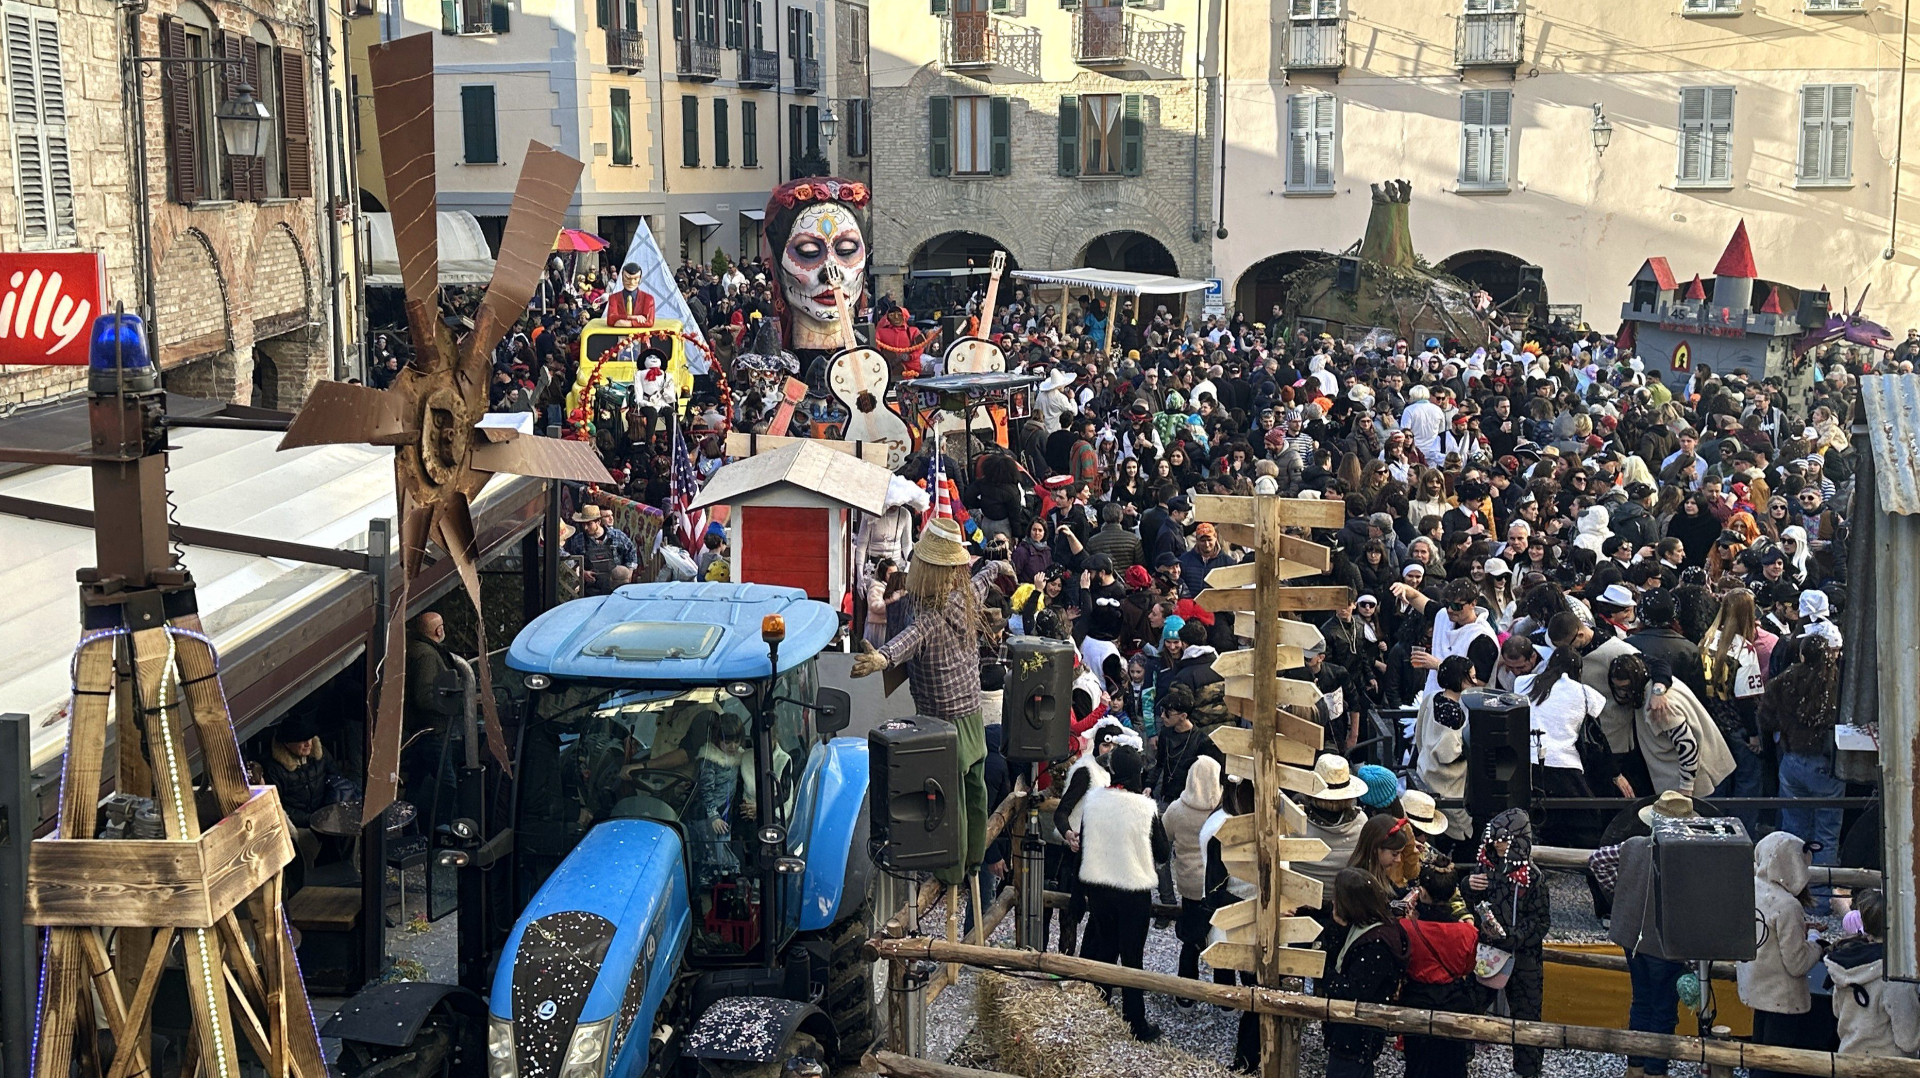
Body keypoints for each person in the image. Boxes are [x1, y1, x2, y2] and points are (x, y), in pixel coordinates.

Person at [851, 518, 1012, 888]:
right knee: (975, 790)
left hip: (940, 724)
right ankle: (975, 859)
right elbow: (982, 579)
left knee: (949, 797)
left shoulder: (928, 616)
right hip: (971, 713)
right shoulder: (966, 597)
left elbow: (906, 641)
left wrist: (881, 659)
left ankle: (952, 871)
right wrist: (995, 565)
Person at [1075, 744, 1169, 1042]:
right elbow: (1163, 852)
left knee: (1103, 952)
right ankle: (1135, 1021)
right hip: (1133, 890)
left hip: (1100, 888)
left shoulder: (1093, 802)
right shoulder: (1145, 808)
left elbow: (1084, 847)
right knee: (1132, 957)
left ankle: (1096, 1010)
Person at [1759, 636, 1845, 912]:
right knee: (1826, 834)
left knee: (1794, 832)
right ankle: (1818, 901)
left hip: (1793, 761)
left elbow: (1765, 716)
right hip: (1826, 764)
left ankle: (1793, 894)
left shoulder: (1784, 680)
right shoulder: (1838, 684)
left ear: (1802, 656)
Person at [1465, 808, 1550, 1077]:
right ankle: (1458, 1062)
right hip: (1486, 953)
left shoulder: (1533, 877)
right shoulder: (1483, 869)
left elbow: (1541, 922)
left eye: (1505, 839)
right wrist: (1467, 885)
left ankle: (1528, 1072)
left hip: (1524, 960)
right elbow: (1465, 907)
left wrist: (1513, 936)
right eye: (1495, 839)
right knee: (1467, 1009)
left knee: (1527, 1021)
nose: (1498, 844)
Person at [1738, 830, 1831, 1072]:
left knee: (1756, 1054)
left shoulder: (1750, 888)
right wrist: (1817, 944)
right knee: (1774, 1062)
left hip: (1757, 987)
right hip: (1782, 996)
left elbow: (1765, 931)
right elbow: (1797, 963)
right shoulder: (1789, 906)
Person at [1316, 868, 1410, 1077]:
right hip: (1354, 1032)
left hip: (1356, 1033)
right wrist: (1336, 927)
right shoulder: (1366, 925)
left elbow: (1352, 990)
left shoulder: (1376, 942)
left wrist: (1320, 970)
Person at [1397, 865, 1482, 1077]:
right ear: (1454, 893)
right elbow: (1467, 968)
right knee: (1453, 1065)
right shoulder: (1468, 932)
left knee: (1417, 1065)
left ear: (1422, 892)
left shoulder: (1406, 928)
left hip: (1416, 1000)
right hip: (1453, 1000)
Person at [1825, 889, 1920, 1058]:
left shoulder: (1844, 965)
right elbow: (1908, 1039)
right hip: (1888, 1067)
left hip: (1848, 1059)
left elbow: (1837, 1011)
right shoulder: (1896, 975)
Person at [1163, 753, 1222, 986]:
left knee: (1190, 939)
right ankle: (1224, 998)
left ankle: (1185, 992)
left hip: (1189, 884)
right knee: (1221, 940)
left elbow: (1164, 836)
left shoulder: (1177, 809)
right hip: (1217, 884)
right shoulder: (1223, 810)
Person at [260, 713, 358, 830]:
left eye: (310, 738)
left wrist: (329, 811)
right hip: (299, 825)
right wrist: (311, 819)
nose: (308, 744)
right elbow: (279, 806)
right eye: (302, 740)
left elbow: (336, 778)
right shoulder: (274, 769)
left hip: (325, 815)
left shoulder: (320, 754)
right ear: (287, 743)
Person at [564, 504, 640, 596]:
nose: (585, 528)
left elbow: (631, 553)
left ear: (598, 522)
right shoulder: (578, 540)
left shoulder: (617, 536)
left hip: (616, 590)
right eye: (583, 524)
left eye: (589, 524)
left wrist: (628, 573)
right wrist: (582, 573)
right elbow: (571, 561)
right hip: (591, 592)